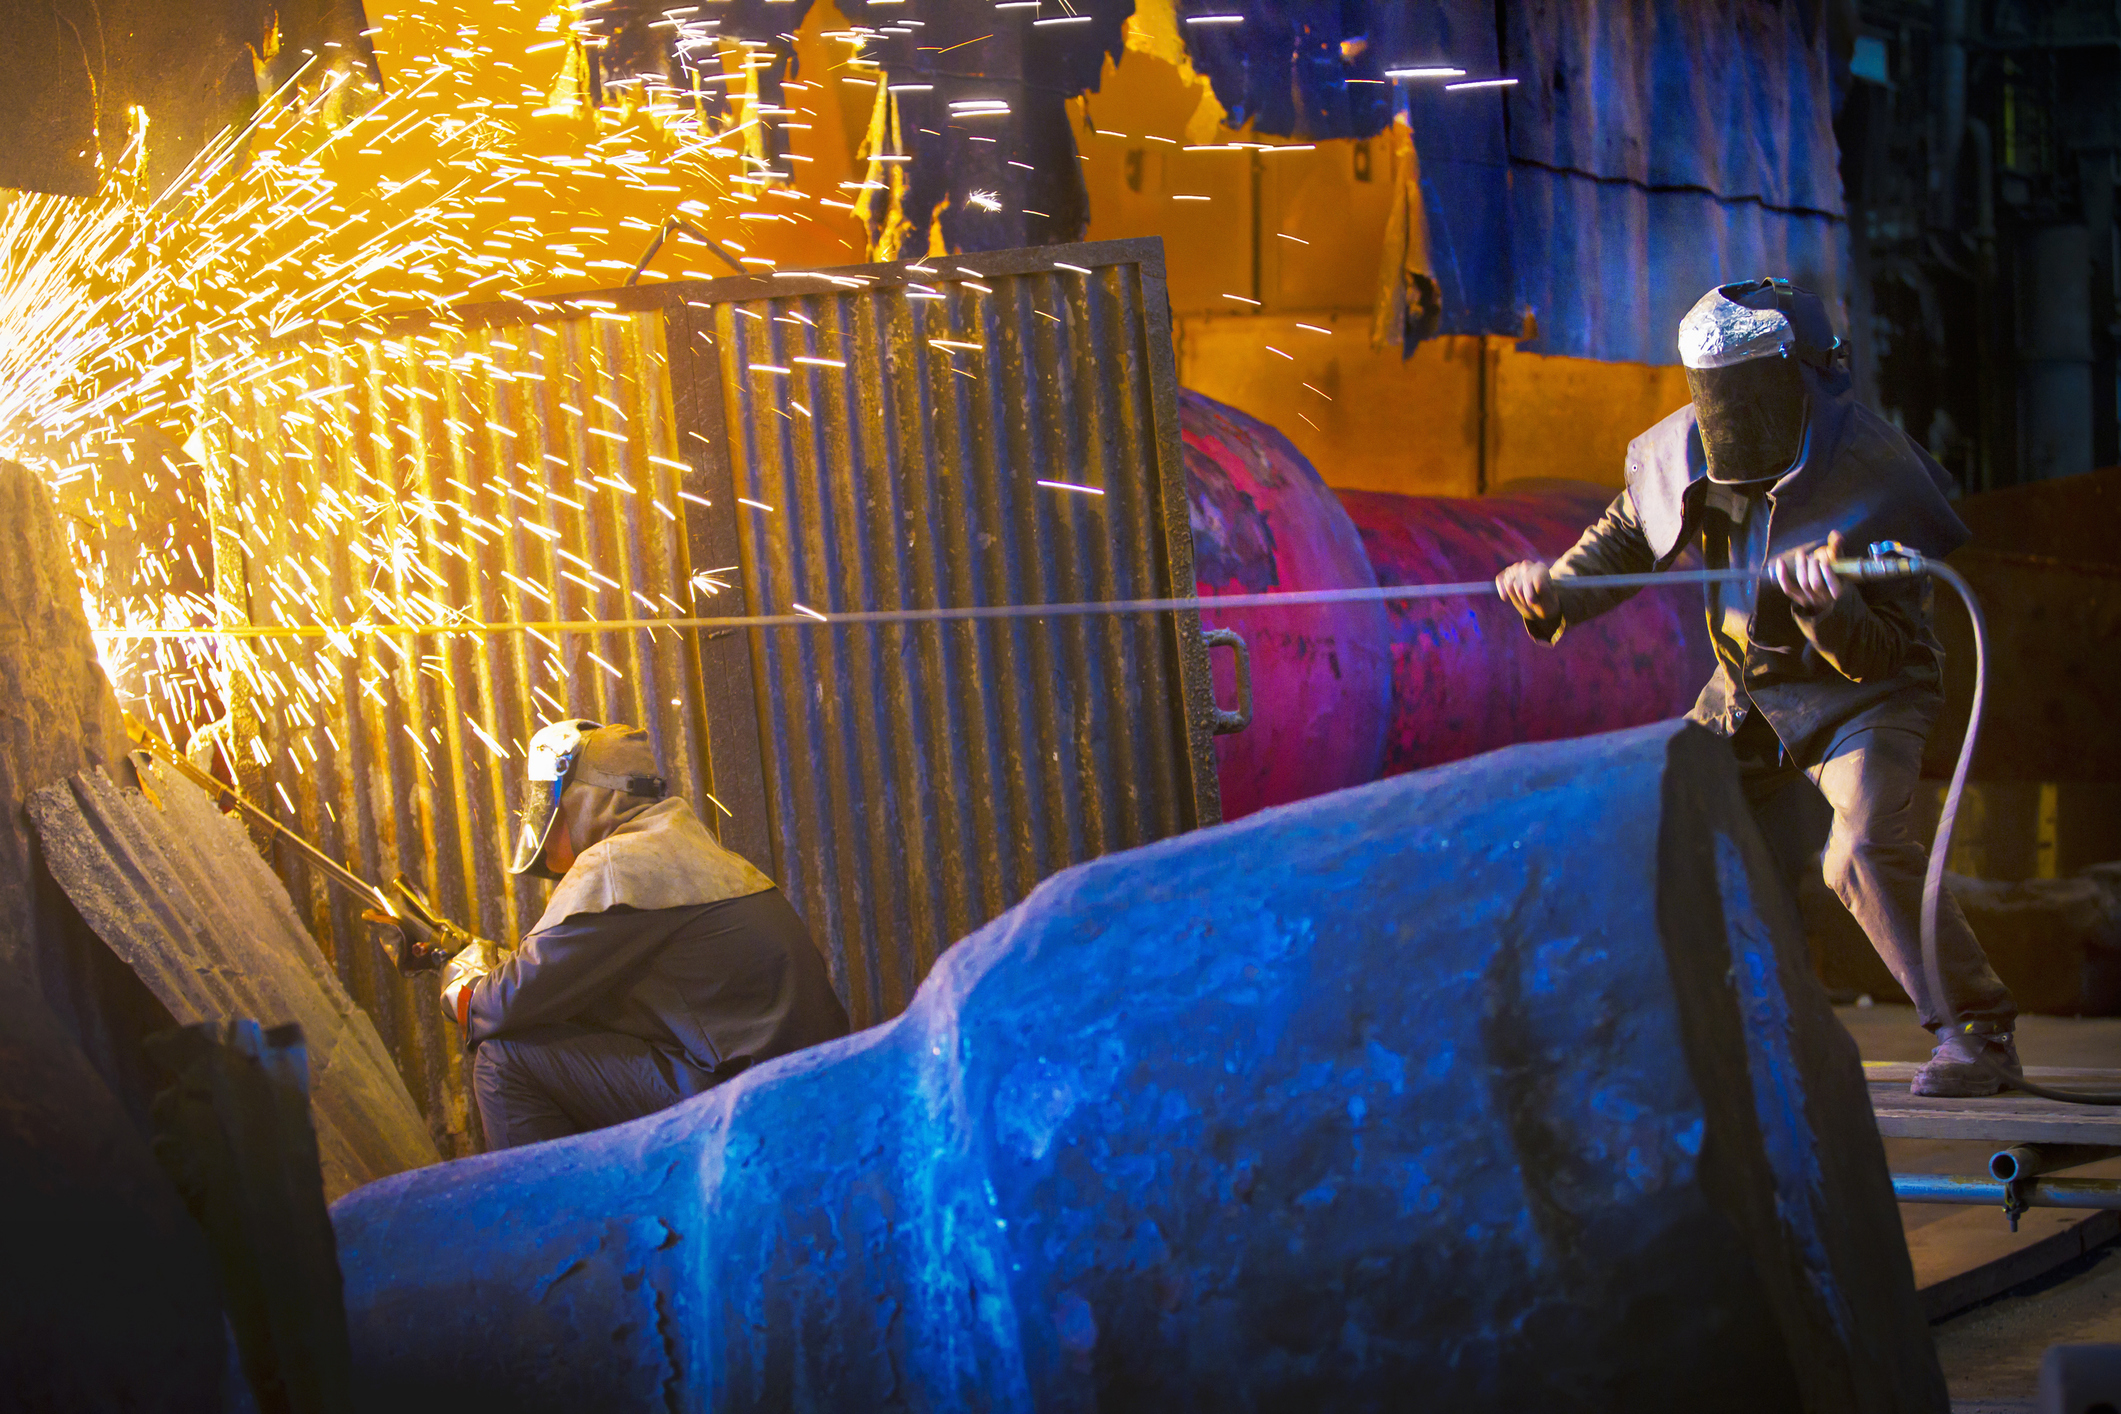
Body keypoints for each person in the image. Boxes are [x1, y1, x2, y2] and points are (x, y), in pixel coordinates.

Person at [1494, 277, 2018, 1098]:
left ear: (1803, 376)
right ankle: (1707, 1032)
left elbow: (1883, 656)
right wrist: (1554, 588)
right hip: (1743, 690)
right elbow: (1628, 536)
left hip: (1862, 697)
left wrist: (1828, 612)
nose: (1729, 418)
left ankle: (1976, 1033)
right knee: (1652, 816)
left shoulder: (1876, 476)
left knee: (1861, 851)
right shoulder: (1687, 448)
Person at [439, 719, 849, 1148]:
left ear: (583, 799)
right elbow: (554, 980)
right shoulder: (684, 850)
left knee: (505, 1059)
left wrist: (458, 985)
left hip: (749, 1105)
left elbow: (504, 1004)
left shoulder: (619, 868)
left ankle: (552, 1215)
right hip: (800, 1085)